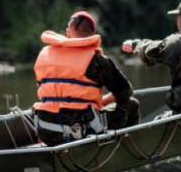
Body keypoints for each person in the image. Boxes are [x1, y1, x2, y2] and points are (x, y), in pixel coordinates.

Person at [33, 11, 140, 146]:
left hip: (47, 130)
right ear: (92, 35)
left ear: (68, 33)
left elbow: (47, 92)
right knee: (132, 104)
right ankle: (123, 151)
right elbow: (125, 92)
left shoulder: (44, 55)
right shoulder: (97, 61)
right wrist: (103, 101)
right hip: (81, 131)